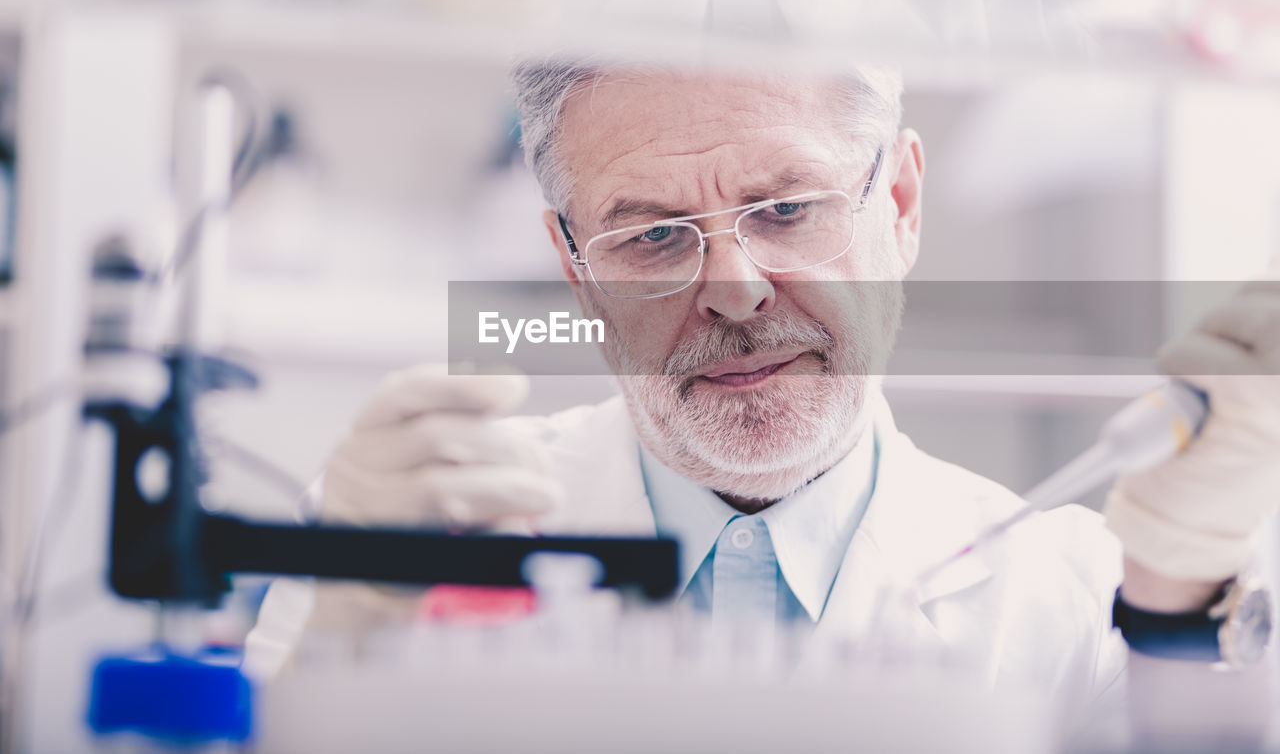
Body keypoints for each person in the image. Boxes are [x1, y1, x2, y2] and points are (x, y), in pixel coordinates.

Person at [245, 63, 1280, 706]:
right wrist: (337, 653)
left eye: (785, 209)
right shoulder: (412, 542)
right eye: (651, 235)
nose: (733, 289)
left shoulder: (1068, 604)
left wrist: (1177, 606)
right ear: (573, 267)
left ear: (902, 203)